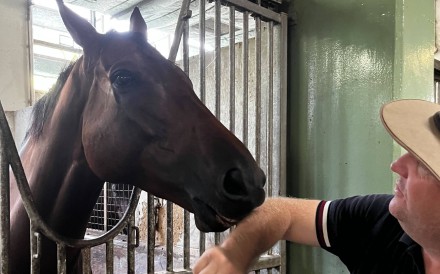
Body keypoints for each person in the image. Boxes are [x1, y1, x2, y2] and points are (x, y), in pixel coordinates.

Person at [192, 99, 440, 274]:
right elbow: (283, 213)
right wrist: (235, 254)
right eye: (408, 152)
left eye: (423, 164)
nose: (396, 165)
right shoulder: (380, 221)